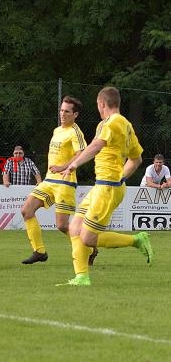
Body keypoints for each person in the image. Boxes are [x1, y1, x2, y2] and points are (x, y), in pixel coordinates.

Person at [57, 86, 152, 287]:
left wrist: (74, 163)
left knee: (88, 238)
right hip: (103, 186)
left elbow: (96, 146)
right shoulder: (126, 125)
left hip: (107, 188)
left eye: (98, 106)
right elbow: (136, 159)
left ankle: (136, 240)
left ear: (102, 104)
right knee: (74, 227)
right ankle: (81, 277)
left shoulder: (113, 121)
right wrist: (121, 177)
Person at [20, 96, 98, 264]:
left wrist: (64, 166)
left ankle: (89, 248)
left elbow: (81, 154)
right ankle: (39, 251)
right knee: (26, 210)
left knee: (62, 226)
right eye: (61, 110)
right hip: (49, 181)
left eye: (67, 111)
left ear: (75, 114)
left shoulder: (75, 132)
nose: (63, 114)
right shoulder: (57, 130)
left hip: (65, 182)